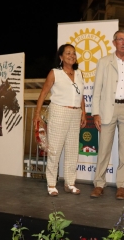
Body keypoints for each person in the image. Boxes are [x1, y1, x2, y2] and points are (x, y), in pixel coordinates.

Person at [90, 29, 124, 200]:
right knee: (104, 148)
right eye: (120, 39)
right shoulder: (104, 62)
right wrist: (95, 113)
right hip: (107, 109)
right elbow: (97, 89)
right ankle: (99, 184)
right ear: (114, 43)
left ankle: (122, 185)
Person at [33, 44, 87, 196]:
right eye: (68, 53)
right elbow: (43, 94)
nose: (72, 55)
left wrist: (84, 113)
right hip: (59, 111)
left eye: (74, 53)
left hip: (75, 113)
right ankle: (51, 183)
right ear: (61, 57)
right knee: (54, 149)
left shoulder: (79, 74)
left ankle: (70, 183)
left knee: (72, 150)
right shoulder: (55, 73)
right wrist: (37, 114)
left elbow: (81, 96)